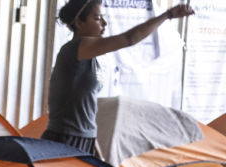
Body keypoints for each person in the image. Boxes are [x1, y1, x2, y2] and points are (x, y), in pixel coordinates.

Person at [43, 1, 194, 156]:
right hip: (66, 139)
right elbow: (129, 38)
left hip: (85, 139)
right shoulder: (75, 48)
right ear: (79, 23)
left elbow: (83, 109)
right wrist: (167, 15)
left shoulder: (91, 57)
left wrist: (96, 149)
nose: (104, 23)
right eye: (97, 18)